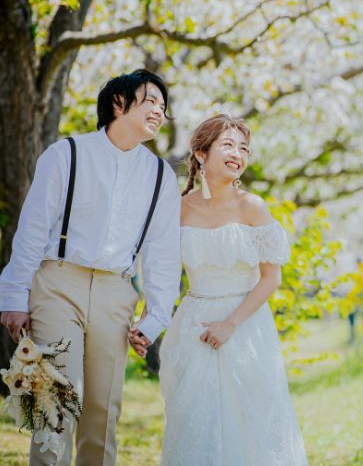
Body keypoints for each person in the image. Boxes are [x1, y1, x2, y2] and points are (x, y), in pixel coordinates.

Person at [0, 69, 181, 466]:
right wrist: (14, 296)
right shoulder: (66, 154)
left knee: (103, 412)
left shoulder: (160, 177)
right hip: (58, 283)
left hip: (117, 294)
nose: (159, 112)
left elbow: (163, 253)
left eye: (163, 108)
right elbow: (32, 230)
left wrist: (154, 320)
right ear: (119, 103)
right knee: (57, 403)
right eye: (150, 100)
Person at [158, 114, 307, 466]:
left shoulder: (252, 207)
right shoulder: (177, 209)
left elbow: (271, 278)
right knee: (194, 419)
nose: (237, 153)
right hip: (192, 322)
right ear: (200, 154)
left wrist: (230, 324)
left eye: (243, 148)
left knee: (251, 421)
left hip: (246, 324)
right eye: (227, 144)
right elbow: (161, 272)